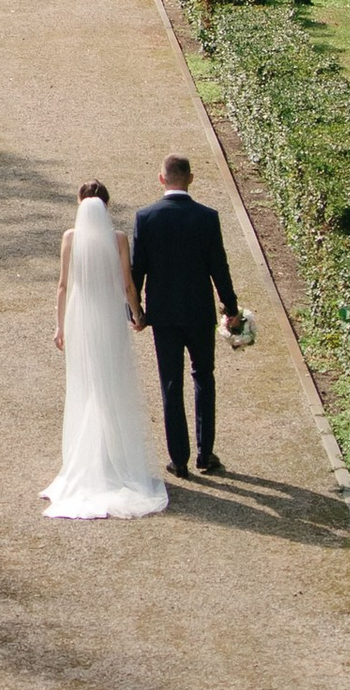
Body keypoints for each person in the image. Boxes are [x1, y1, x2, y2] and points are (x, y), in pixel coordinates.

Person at [41, 181, 168, 520]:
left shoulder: (70, 238)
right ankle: (114, 460)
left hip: (81, 318)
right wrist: (137, 313)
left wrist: (60, 326)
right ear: (107, 206)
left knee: (86, 385)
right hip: (109, 318)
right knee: (111, 384)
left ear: (80, 205)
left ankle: (87, 463)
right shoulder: (119, 239)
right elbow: (127, 283)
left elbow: (63, 285)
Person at [130, 152, 243, 478]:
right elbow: (218, 268)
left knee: (170, 384)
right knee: (203, 378)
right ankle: (205, 454)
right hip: (198, 312)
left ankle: (178, 459)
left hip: (163, 315)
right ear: (191, 178)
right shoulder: (207, 217)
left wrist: (136, 311)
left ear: (161, 178)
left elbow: (138, 270)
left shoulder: (146, 217)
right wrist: (231, 308)